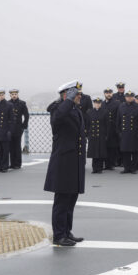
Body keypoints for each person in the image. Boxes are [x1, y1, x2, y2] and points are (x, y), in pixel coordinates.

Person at [44, 80, 86, 246]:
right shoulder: (57, 109)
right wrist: (67, 100)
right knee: (61, 201)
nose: (79, 96)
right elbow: (58, 118)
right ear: (65, 95)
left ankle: (67, 231)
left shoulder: (75, 110)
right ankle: (59, 235)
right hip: (63, 163)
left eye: (80, 94)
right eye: (76, 94)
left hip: (74, 162)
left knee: (71, 200)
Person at [116, 91, 138, 174]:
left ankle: (133, 168)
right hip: (124, 132)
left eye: (131, 96)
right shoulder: (121, 106)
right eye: (128, 96)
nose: (129, 98)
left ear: (133, 97)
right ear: (125, 97)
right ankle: (126, 168)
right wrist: (118, 131)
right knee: (125, 151)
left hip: (134, 133)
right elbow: (118, 120)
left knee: (134, 151)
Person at [86, 96, 109, 174]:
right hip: (92, 135)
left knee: (100, 152)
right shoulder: (89, 112)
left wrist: (106, 135)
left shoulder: (105, 112)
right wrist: (87, 134)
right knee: (94, 152)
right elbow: (87, 124)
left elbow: (107, 125)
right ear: (94, 103)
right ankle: (94, 168)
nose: (97, 104)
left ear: (101, 104)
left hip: (101, 135)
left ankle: (99, 168)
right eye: (96, 103)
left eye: (99, 103)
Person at [8, 89, 29, 169]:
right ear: (10, 95)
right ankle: (12, 163)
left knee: (17, 145)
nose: (14, 95)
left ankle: (18, 163)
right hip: (10, 128)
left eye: (15, 94)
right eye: (12, 94)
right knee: (11, 146)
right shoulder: (7, 103)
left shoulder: (22, 104)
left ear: (17, 94)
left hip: (18, 128)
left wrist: (24, 126)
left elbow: (26, 116)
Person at [0, 89, 14, 173]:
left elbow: (12, 120)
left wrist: (10, 131)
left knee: (5, 150)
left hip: (5, 130)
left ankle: (5, 166)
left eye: (2, 95)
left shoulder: (9, 105)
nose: (1, 96)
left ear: (4, 95)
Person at [101, 88, 120, 170]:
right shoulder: (102, 103)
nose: (108, 94)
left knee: (113, 147)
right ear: (104, 94)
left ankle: (112, 164)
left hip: (113, 127)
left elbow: (119, 116)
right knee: (105, 146)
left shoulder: (117, 103)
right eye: (107, 93)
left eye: (110, 93)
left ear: (112, 94)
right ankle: (106, 163)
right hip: (104, 128)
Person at [113, 82, 126, 166]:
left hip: (125, 122)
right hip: (116, 121)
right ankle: (116, 160)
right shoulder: (114, 96)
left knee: (123, 142)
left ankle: (122, 161)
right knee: (116, 143)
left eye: (122, 88)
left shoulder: (127, 96)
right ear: (117, 88)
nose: (121, 89)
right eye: (119, 88)